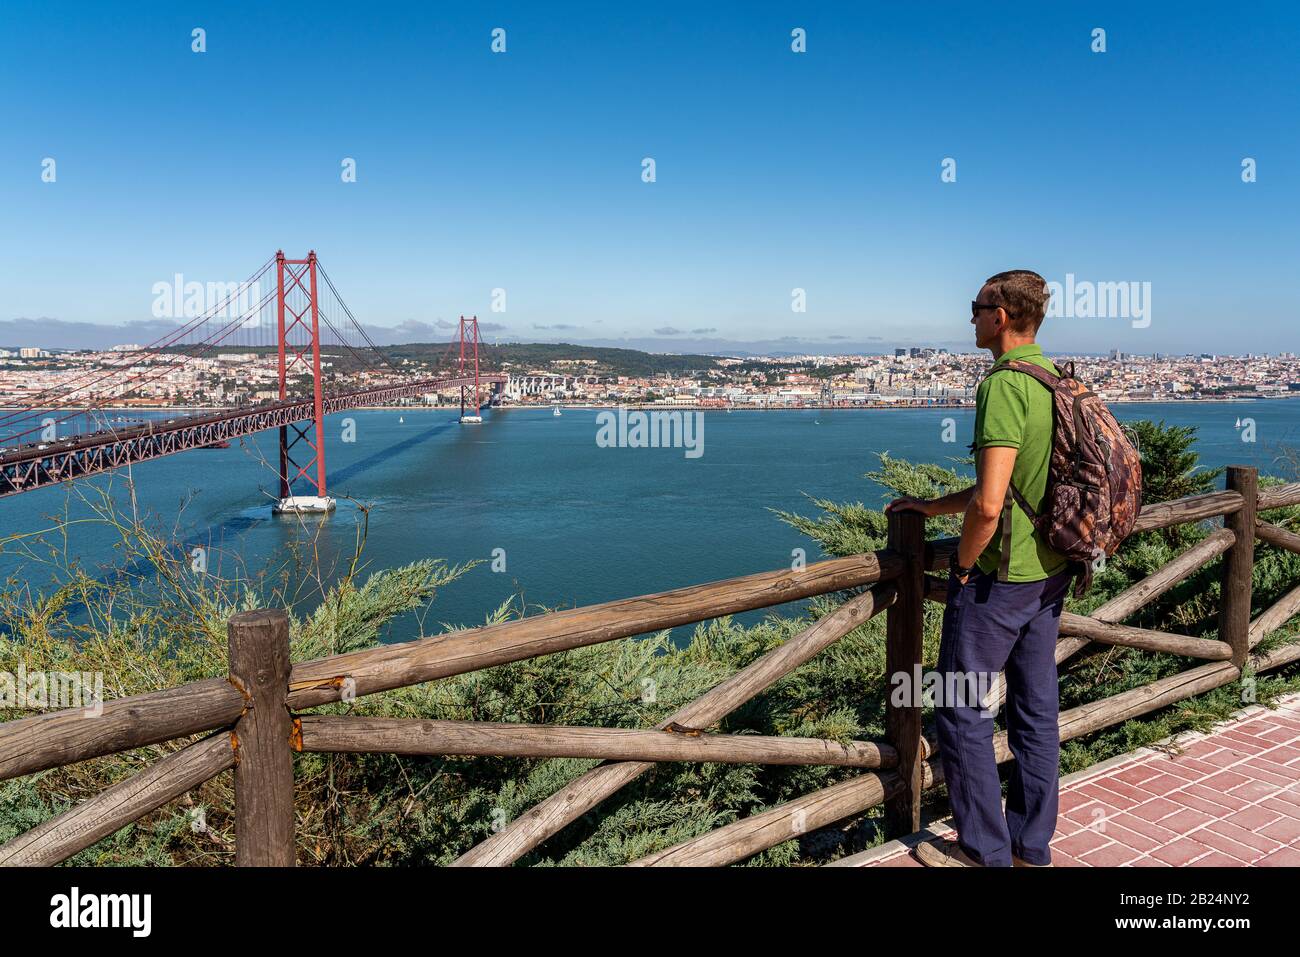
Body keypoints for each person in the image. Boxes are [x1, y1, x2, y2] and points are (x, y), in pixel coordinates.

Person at [886, 270, 1072, 868]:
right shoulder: (1057, 380)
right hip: (1052, 570)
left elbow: (991, 506)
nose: (969, 318)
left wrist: (964, 567)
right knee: (1036, 710)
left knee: (962, 709)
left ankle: (984, 849)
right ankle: (1030, 845)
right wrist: (933, 506)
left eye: (976, 307)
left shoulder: (1003, 386)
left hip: (1001, 581)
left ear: (1003, 314)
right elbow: (1013, 484)